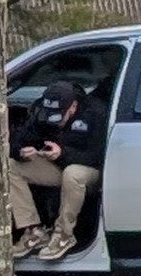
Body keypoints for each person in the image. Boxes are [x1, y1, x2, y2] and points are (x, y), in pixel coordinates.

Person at [15, 68, 108, 258]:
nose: (54, 122)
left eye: (58, 117)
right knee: (10, 165)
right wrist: (24, 152)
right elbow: (19, 138)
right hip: (57, 165)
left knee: (72, 173)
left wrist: (62, 154)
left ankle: (64, 234)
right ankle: (33, 231)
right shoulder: (42, 111)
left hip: (90, 169)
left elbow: (99, 156)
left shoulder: (95, 112)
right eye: (49, 116)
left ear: (73, 107)